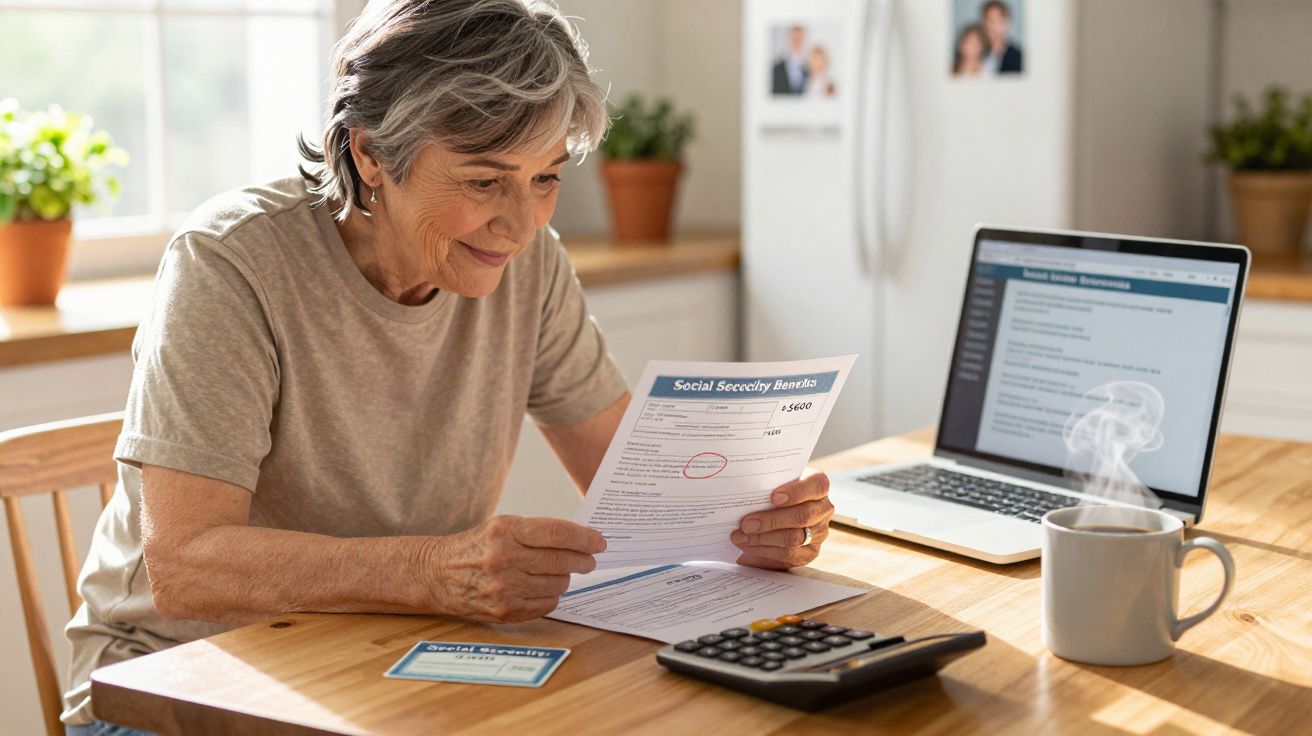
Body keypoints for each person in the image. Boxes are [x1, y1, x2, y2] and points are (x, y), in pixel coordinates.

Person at [60, 1, 838, 733]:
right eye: (484, 181)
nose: (520, 224)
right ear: (370, 153)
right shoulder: (230, 263)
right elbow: (187, 565)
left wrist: (746, 526)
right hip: (173, 685)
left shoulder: (528, 267)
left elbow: (648, 490)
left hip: (378, 659)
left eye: (545, 178)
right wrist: (431, 571)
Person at [980, 0, 1023, 74]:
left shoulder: (1017, 57)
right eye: (989, 20)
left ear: (1006, 22)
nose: (992, 26)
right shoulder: (976, 52)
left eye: (997, 20)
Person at [772, 25, 809, 95]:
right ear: (788, 39)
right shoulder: (777, 68)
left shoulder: (809, 68)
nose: (797, 42)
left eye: (800, 39)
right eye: (794, 38)